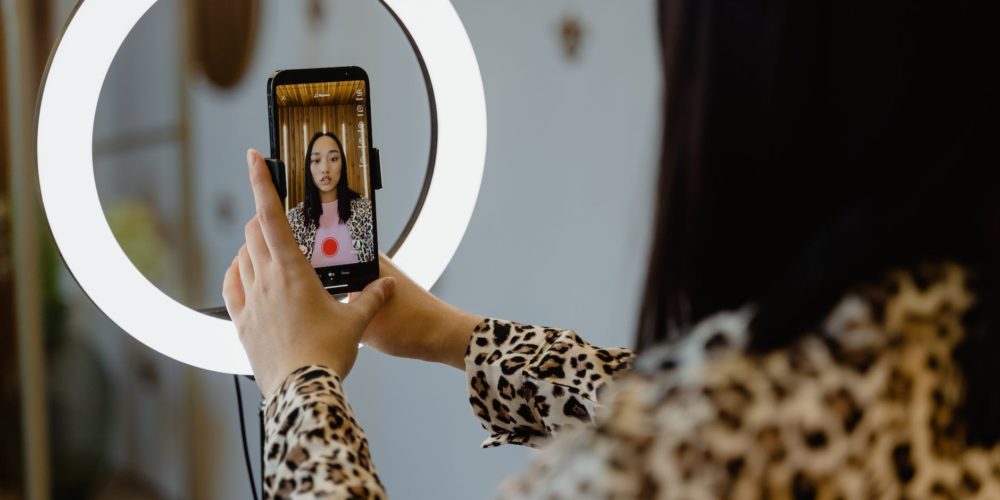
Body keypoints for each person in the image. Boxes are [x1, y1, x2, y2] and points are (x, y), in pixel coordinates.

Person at [223, 0, 999, 497]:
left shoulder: (678, 458)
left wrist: (299, 385)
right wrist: (452, 336)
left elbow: (700, 425)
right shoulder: (948, 348)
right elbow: (681, 396)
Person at [285, 131, 375, 266]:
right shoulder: (294, 219)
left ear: (342, 164)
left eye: (333, 159)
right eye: (316, 160)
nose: (325, 169)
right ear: (308, 168)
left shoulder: (366, 210)